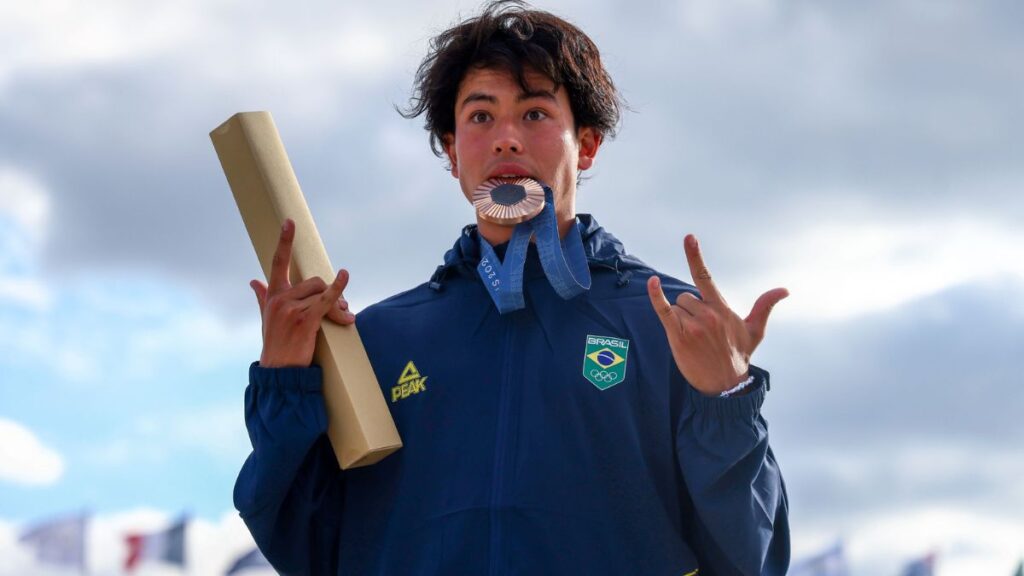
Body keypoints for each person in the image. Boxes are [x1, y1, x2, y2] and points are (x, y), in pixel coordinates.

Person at [235, 1, 791, 574]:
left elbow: (752, 557)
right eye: (480, 117)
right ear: (452, 153)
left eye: (534, 114)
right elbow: (309, 548)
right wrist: (285, 383)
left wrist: (727, 400)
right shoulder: (378, 338)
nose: (505, 139)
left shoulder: (671, 324)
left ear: (589, 145)